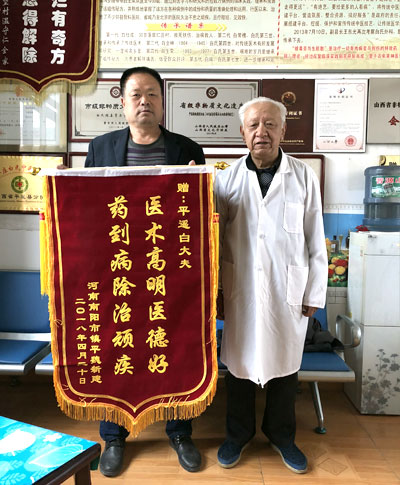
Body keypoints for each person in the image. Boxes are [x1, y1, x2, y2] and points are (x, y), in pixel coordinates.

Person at [85, 66, 205, 477]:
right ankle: (113, 437)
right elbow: (87, 208)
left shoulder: (186, 148)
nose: (144, 102)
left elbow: (197, 214)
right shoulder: (100, 148)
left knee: (174, 347)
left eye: (152, 94)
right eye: (136, 94)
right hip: (116, 269)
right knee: (116, 347)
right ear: (122, 102)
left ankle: (180, 432)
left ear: (163, 101)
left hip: (168, 272)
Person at [214, 97, 328, 474]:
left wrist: (314, 292)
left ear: (283, 130)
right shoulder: (226, 180)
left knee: (285, 365)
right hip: (241, 288)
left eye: (269, 124)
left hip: (287, 289)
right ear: (242, 132)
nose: (261, 132)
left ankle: (282, 436)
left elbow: (315, 238)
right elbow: (215, 241)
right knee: (239, 364)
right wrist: (217, 292)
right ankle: (237, 435)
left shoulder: (303, 176)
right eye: (253, 125)